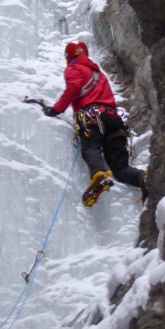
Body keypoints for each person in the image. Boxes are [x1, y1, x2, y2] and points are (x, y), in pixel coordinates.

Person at [43, 41, 147, 206]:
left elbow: (74, 87)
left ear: (68, 56)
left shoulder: (74, 68)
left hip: (92, 116)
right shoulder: (98, 73)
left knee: (91, 148)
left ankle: (99, 174)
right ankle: (143, 178)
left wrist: (56, 109)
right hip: (114, 121)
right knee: (120, 169)